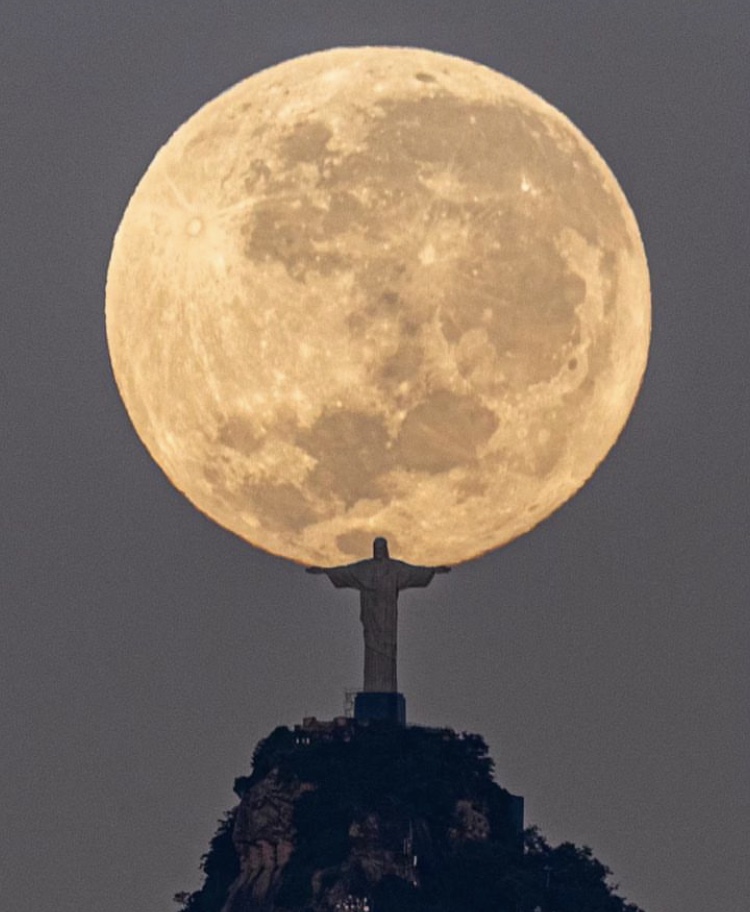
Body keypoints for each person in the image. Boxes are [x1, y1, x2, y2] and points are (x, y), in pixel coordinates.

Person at [307, 537, 450, 692]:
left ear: (386, 549)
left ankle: (387, 691)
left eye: (382, 548)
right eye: (377, 548)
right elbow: (346, 572)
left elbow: (414, 572)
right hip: (371, 622)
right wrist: (325, 571)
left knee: (388, 655)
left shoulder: (395, 569)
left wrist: (433, 571)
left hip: (388, 622)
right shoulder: (365, 569)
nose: (379, 551)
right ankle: (373, 690)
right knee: (372, 656)